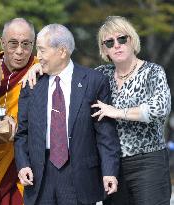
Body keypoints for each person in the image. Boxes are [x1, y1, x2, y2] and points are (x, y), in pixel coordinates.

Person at [14, 23, 120, 205]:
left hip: (79, 176)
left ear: (62, 52)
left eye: (42, 50)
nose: (38, 56)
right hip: (40, 176)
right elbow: (22, 133)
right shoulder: (31, 83)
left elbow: (105, 135)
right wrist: (23, 164)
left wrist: (109, 171)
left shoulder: (94, 82)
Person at [91, 16, 172, 205]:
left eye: (122, 39)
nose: (116, 45)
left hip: (148, 162)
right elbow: (71, 81)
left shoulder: (152, 72)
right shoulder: (101, 75)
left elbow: (160, 108)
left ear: (132, 40)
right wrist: (39, 66)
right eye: (109, 42)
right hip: (113, 166)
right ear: (104, 50)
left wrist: (118, 112)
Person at [0, 18, 39, 205]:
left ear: (34, 44)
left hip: (24, 163)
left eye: (26, 44)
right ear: (3, 42)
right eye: (13, 44)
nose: (20, 51)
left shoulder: (41, 71)